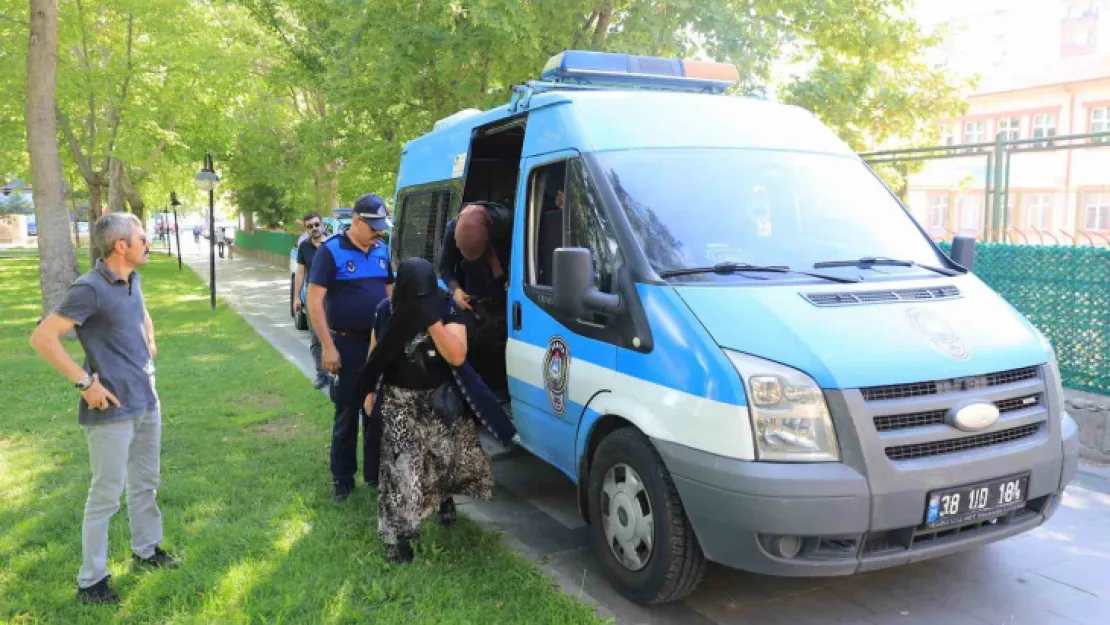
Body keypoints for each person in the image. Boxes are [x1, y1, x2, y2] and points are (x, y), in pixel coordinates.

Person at [29, 213, 179, 605]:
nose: (148, 242)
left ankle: (147, 549)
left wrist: (150, 336)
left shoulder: (133, 278)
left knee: (146, 483)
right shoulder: (89, 288)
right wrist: (85, 383)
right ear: (121, 246)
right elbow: (43, 338)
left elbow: (140, 310)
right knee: (106, 495)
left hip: (147, 398)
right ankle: (91, 581)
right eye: (142, 238)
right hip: (112, 406)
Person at [359, 258, 516, 563]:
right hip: (399, 399)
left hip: (440, 400)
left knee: (444, 461)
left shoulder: (447, 307)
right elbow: (375, 354)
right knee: (400, 469)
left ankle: (443, 498)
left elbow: (457, 356)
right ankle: (400, 539)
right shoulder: (385, 310)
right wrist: (369, 390)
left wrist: (431, 319)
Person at [307, 193, 394, 501]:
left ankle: (374, 473)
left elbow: (390, 293)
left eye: (382, 227)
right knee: (347, 413)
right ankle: (343, 479)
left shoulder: (382, 249)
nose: (379, 233)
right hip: (346, 344)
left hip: (378, 346)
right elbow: (314, 301)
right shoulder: (330, 252)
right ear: (356, 222)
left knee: (378, 411)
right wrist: (328, 347)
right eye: (374, 227)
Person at [437, 202, 514, 399]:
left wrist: (513, 279)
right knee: (478, 345)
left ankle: (502, 391)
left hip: (504, 293)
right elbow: (444, 268)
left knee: (502, 344)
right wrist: (456, 290)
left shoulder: (507, 223)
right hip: (473, 295)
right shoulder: (454, 229)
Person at [295, 212, 329, 389]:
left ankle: (338, 372)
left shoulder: (333, 244)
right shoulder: (304, 247)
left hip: (333, 296)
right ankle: (321, 374)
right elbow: (300, 273)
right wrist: (296, 297)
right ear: (306, 229)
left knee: (336, 334)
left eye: (316, 224)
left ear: (322, 224)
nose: (314, 228)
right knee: (316, 337)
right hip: (313, 297)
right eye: (310, 226)